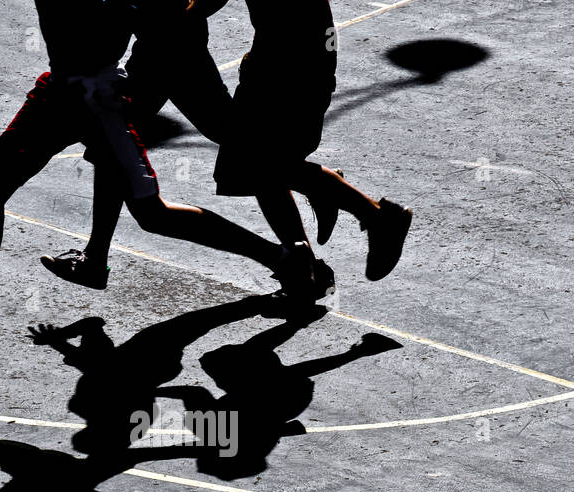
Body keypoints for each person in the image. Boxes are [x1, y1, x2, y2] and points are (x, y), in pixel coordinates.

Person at [0, 0, 310, 360]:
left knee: (152, 213)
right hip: (61, 95)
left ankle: (282, 258)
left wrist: (175, 22)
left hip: (100, 102)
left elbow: (165, 20)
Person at [41, 0, 412, 296]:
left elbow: (203, 3)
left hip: (276, 63)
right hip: (255, 55)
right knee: (247, 155)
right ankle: (315, 230)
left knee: (249, 163)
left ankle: (351, 215)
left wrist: (151, 15)